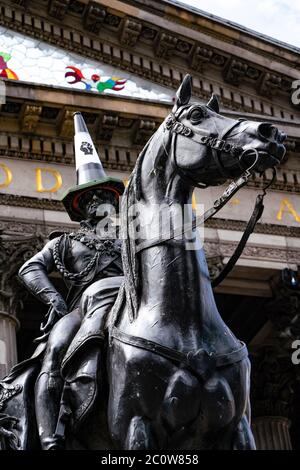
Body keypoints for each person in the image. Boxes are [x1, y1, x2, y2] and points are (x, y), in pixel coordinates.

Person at [18, 113, 124, 450]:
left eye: (110, 200)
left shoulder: (130, 241)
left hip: (131, 300)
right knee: (56, 351)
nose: (108, 206)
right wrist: (55, 300)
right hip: (84, 307)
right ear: (87, 208)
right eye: (100, 201)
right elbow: (29, 268)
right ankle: (50, 435)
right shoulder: (64, 243)